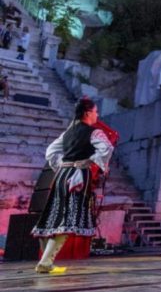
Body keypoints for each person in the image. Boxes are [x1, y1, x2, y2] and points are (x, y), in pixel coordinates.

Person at [30, 98, 114, 273]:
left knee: (56, 215)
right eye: (95, 111)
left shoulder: (67, 133)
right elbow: (107, 148)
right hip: (77, 177)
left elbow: (50, 152)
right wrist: (92, 161)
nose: (97, 115)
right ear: (88, 113)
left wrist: (63, 164)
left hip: (62, 175)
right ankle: (45, 262)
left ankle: (46, 260)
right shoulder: (94, 132)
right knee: (68, 218)